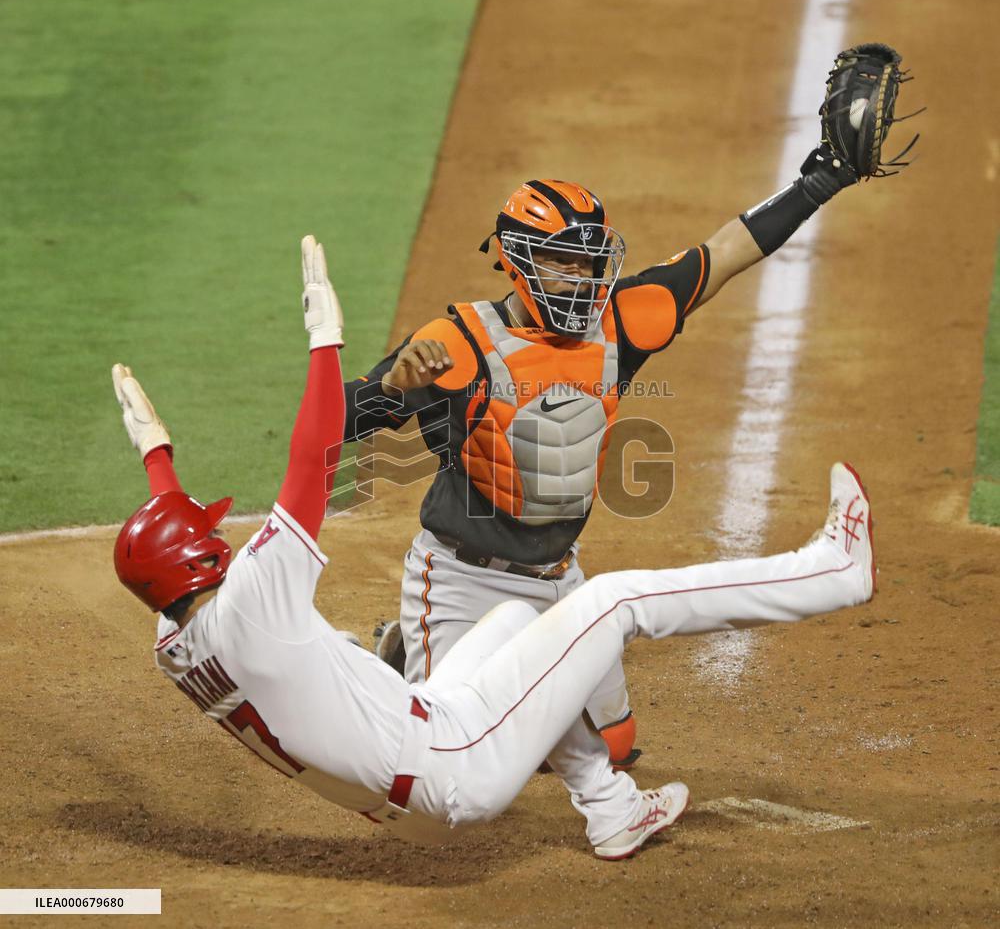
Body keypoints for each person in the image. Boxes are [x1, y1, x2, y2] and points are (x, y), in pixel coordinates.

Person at [112, 235, 877, 860]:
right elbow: (314, 451)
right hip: (452, 769)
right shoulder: (251, 602)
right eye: (209, 536)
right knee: (613, 602)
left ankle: (611, 811)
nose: (221, 535)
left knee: (515, 623)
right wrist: (325, 337)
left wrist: (158, 457)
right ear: (205, 562)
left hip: (409, 773)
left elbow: (169, 563)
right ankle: (833, 573)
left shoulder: (175, 636)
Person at [347, 146, 864, 769]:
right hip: (463, 577)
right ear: (516, 261)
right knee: (444, 755)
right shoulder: (455, 341)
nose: (582, 279)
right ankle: (392, 660)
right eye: (562, 262)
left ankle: (444, 663)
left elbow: (725, 252)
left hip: (558, 579)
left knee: (608, 749)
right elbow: (337, 421)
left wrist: (819, 183)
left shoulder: (620, 321)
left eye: (590, 263)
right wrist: (391, 390)